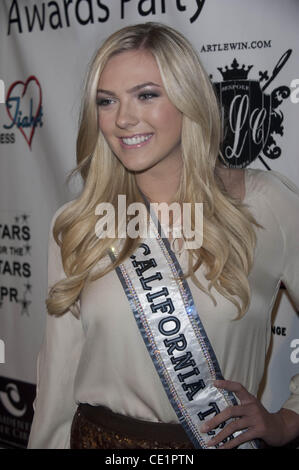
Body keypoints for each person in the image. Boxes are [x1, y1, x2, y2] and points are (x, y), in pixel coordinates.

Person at [27, 22, 299, 449]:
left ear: (189, 99)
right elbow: (59, 378)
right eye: (107, 100)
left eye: (146, 95)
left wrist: (288, 419)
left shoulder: (266, 206)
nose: (122, 118)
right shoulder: (79, 223)